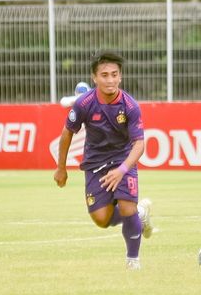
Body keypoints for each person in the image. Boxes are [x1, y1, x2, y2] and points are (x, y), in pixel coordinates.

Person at [53, 52, 155, 270]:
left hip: (122, 160)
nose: (110, 80)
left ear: (120, 77)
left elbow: (139, 144)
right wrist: (61, 168)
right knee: (101, 219)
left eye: (114, 75)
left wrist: (122, 169)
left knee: (127, 207)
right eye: (104, 75)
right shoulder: (84, 104)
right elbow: (66, 133)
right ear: (95, 78)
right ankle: (140, 215)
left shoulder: (130, 106)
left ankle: (133, 261)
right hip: (95, 163)